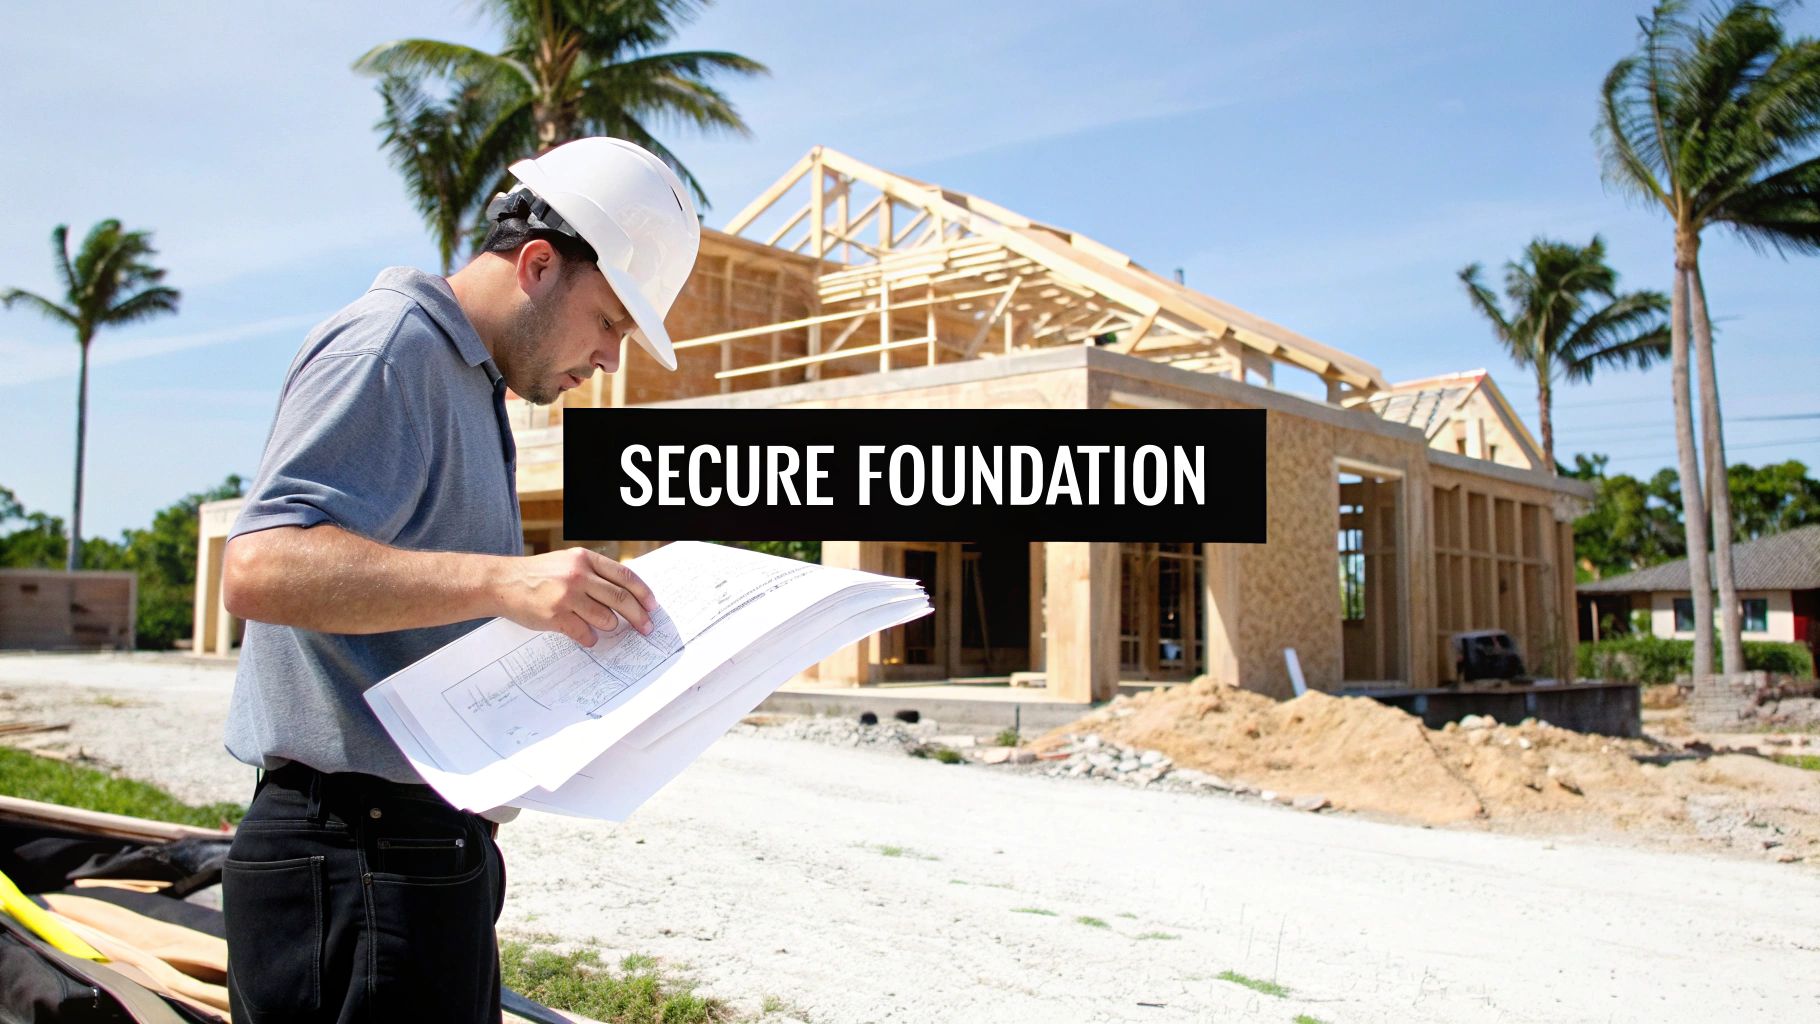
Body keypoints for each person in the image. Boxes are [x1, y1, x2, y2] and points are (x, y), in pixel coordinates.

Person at [217, 137, 701, 1023]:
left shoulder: (470, 383)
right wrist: (504, 583)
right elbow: (260, 566)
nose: (609, 359)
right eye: (608, 322)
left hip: (415, 855)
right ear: (539, 265)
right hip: (356, 859)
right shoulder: (389, 349)